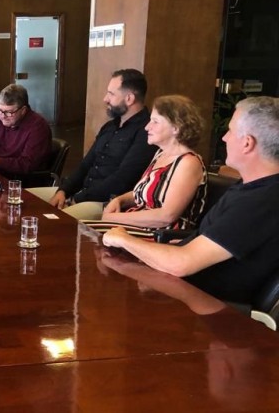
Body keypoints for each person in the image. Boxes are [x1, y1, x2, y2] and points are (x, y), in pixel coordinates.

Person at [102, 96, 279, 305]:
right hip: (182, 290)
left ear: (247, 143)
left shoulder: (260, 201)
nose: (224, 138)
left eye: (230, 131)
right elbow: (206, 243)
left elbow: (181, 264)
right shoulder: (251, 187)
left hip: (209, 309)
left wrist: (124, 238)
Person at [29, 69, 157, 220]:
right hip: (82, 191)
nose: (105, 99)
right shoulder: (109, 127)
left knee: (52, 221)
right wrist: (63, 190)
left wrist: (76, 199)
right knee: (22, 198)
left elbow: (122, 180)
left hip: (108, 202)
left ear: (129, 99)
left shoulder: (146, 132)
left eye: (111, 94)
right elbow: (85, 164)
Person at [84, 95, 207, 234]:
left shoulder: (188, 163)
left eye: (155, 122)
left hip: (161, 235)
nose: (147, 127)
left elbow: (167, 216)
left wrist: (115, 218)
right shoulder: (161, 154)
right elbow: (143, 192)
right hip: (139, 228)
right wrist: (120, 200)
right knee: (79, 230)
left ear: (176, 127)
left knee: (82, 232)